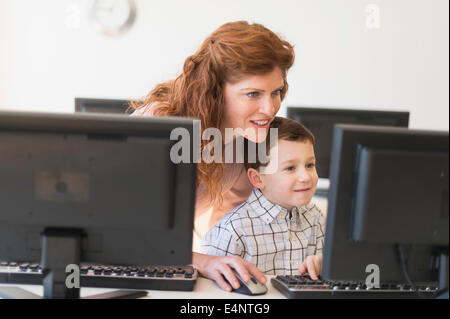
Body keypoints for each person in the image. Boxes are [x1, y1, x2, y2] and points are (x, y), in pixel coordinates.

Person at [130, 21, 295, 291]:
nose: (270, 107)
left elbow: (231, 216)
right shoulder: (160, 124)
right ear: (215, 91)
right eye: (253, 94)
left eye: (275, 92)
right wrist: (201, 261)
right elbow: (125, 235)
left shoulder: (249, 138)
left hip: (166, 264)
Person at [201, 117, 326, 279]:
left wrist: (324, 266)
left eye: (310, 165)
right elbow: (210, 292)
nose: (305, 177)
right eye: (290, 168)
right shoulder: (233, 230)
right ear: (258, 179)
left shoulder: (315, 216)